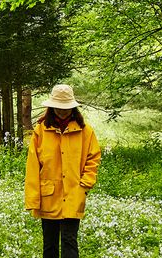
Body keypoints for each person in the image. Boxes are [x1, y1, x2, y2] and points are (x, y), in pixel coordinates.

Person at [24, 84, 102, 258]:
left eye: (65, 107)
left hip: (74, 194)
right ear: (52, 107)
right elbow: (33, 166)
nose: (62, 111)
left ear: (73, 107)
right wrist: (32, 198)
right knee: (49, 244)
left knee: (69, 241)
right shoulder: (40, 130)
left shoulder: (85, 131)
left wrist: (85, 184)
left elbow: (93, 158)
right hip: (48, 196)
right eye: (58, 107)